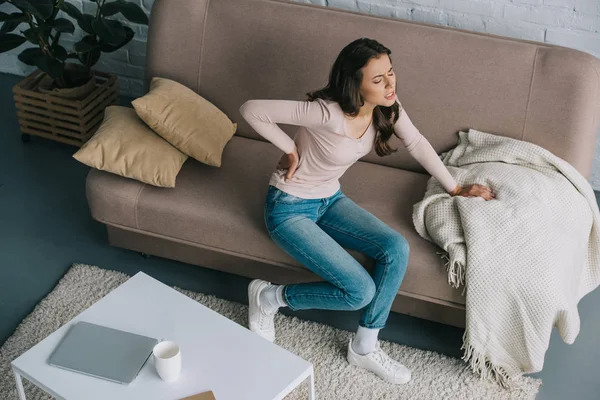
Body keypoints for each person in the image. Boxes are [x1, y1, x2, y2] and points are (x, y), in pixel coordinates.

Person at [238, 37, 494, 385]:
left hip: (330, 200)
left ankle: (364, 345)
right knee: (358, 291)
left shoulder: (387, 104)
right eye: (379, 79)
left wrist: (455, 188)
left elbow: (415, 141)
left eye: (391, 73)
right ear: (354, 84)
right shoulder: (326, 112)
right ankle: (269, 297)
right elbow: (252, 109)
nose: (390, 84)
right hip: (289, 208)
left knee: (395, 248)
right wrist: (290, 149)